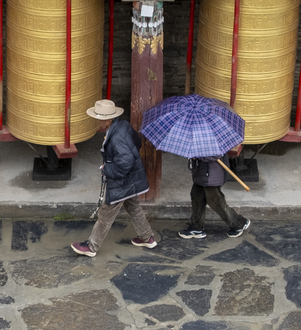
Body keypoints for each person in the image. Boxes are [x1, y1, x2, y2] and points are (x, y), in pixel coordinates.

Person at [72, 99, 158, 256]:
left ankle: (92, 246)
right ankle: (147, 238)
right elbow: (136, 143)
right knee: (133, 207)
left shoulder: (116, 136)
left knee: (105, 213)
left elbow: (125, 163)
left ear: (107, 119)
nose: (97, 121)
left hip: (122, 181)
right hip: (131, 179)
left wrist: (107, 169)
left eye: (99, 118)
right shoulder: (123, 125)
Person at [179, 153, 250, 240]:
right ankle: (196, 227)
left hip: (211, 176)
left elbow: (216, 155)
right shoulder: (199, 140)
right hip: (201, 175)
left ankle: (238, 223)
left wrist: (197, 156)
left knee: (216, 203)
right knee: (197, 198)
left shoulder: (213, 141)